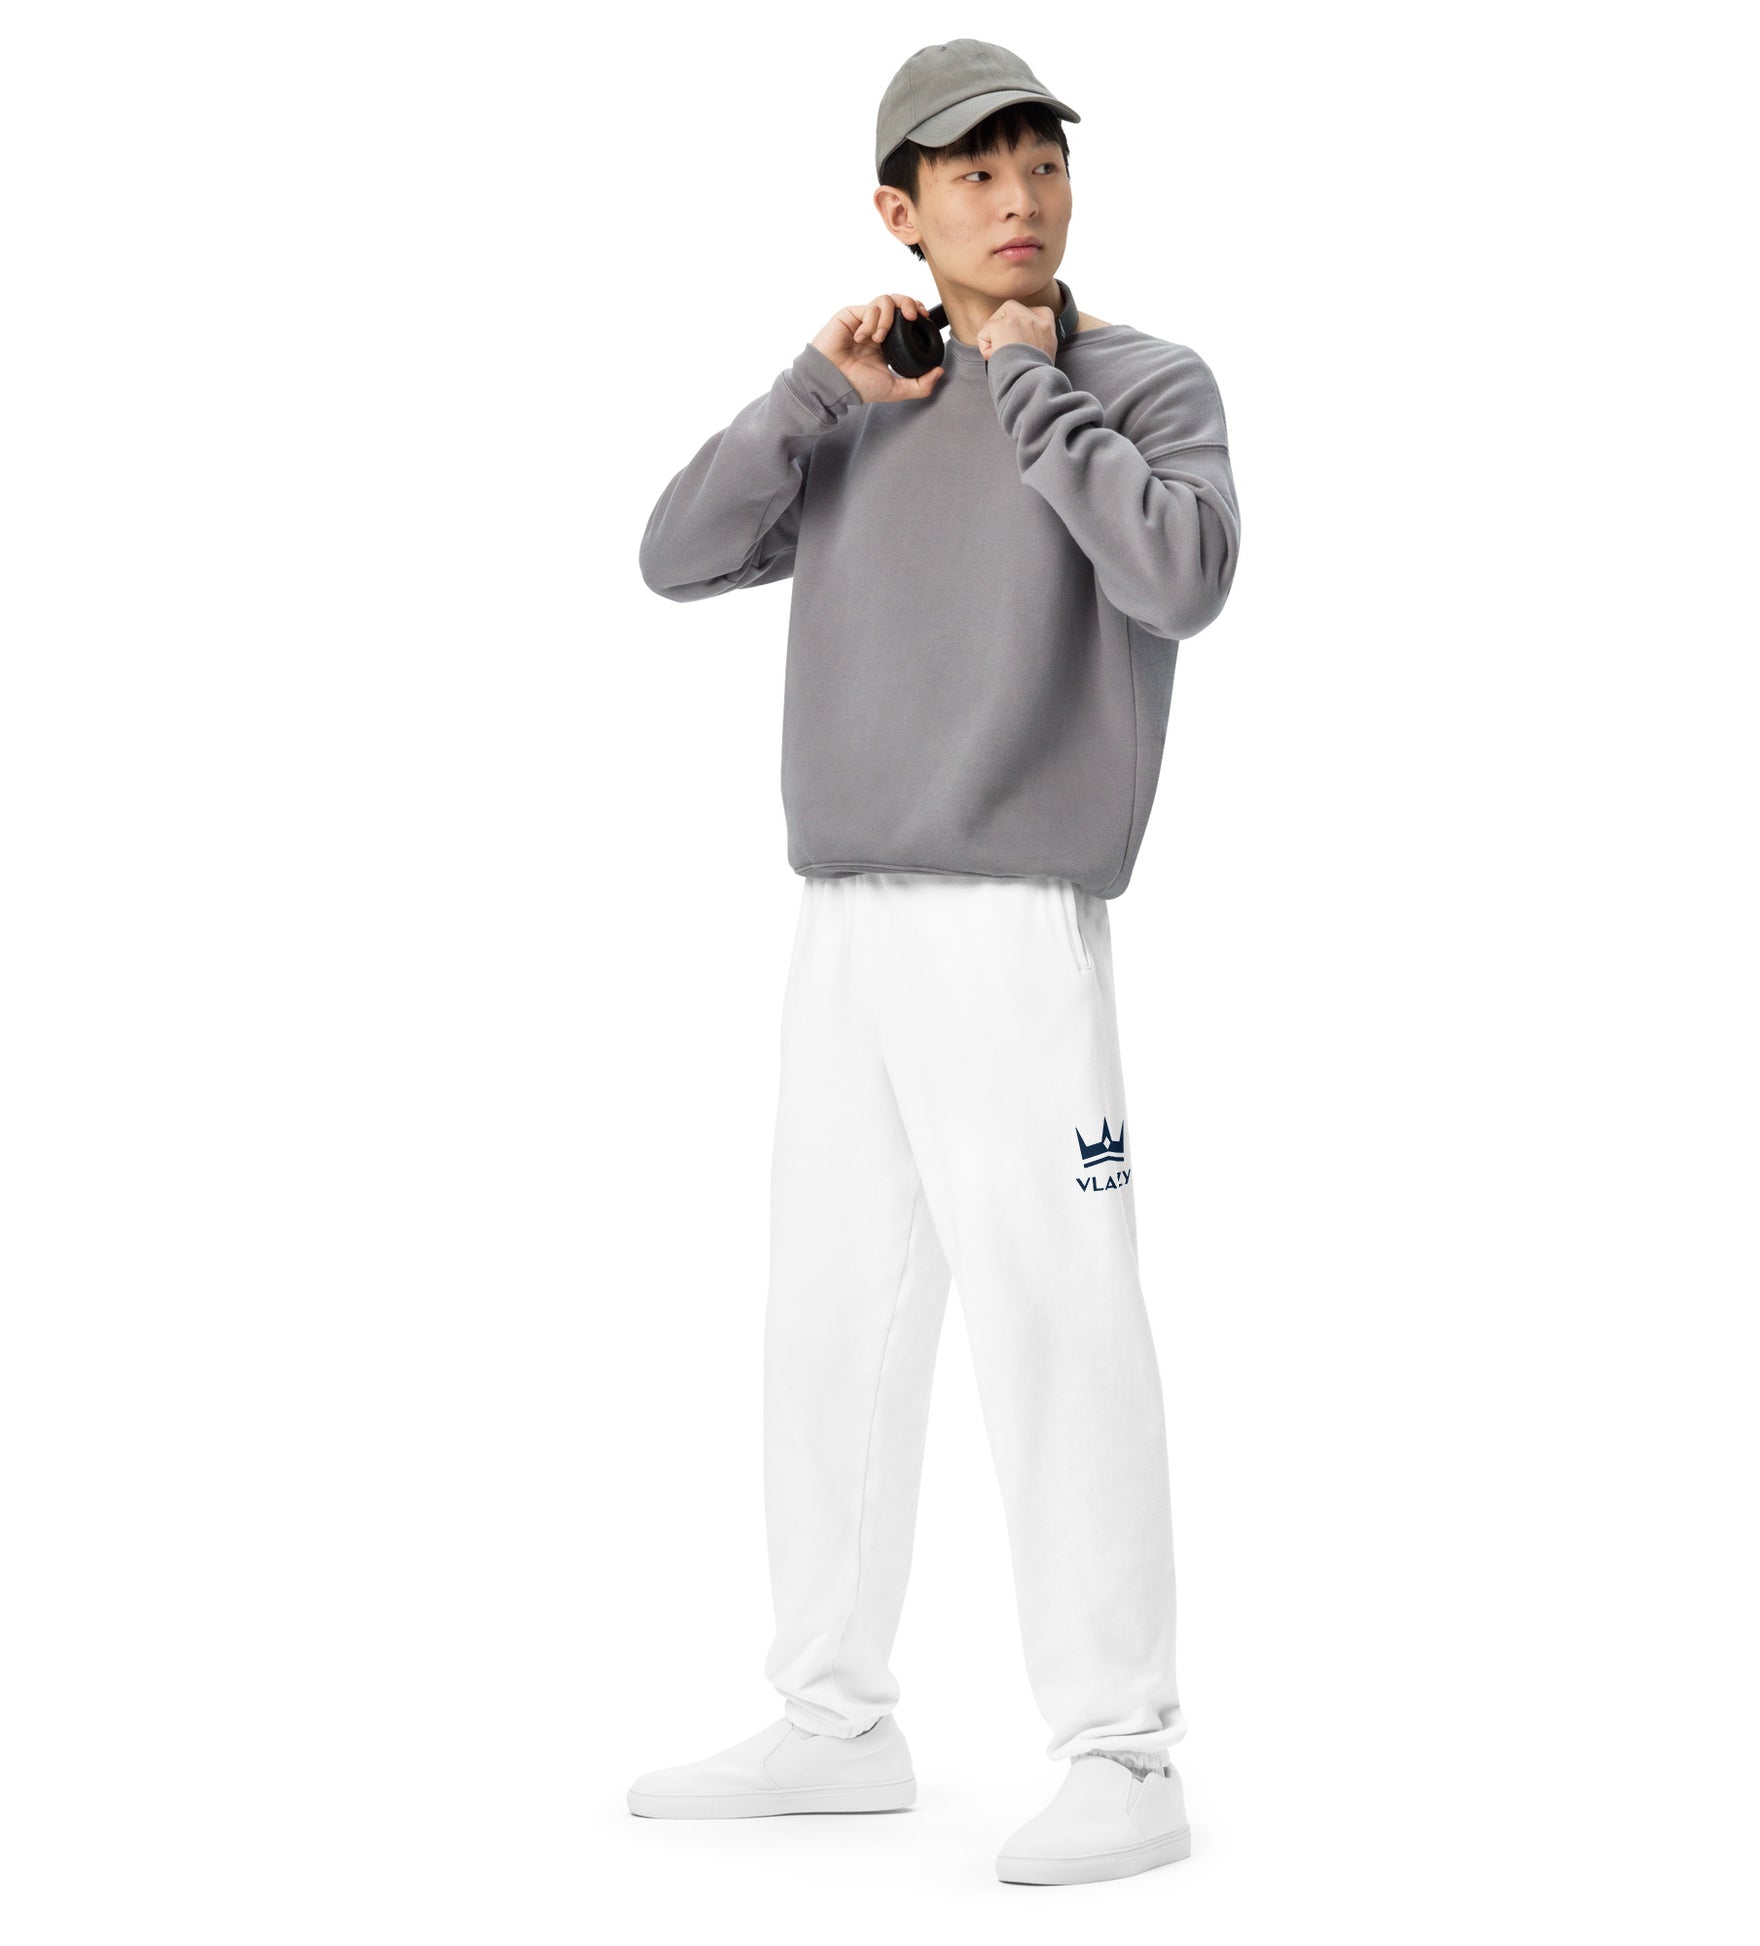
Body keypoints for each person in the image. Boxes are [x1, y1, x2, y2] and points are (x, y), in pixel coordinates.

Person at [625, 38, 1241, 1887]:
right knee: (827, 1323)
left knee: (1059, 1322)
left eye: (1041, 161)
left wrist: (1032, 388)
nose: (1019, 197)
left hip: (1015, 922)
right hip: (846, 921)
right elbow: (674, 555)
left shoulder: (1141, 381)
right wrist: (812, 393)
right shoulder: (860, 394)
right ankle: (833, 1719)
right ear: (899, 212)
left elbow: (1180, 576)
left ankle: (1122, 1753)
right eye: (973, 173)